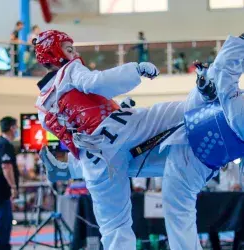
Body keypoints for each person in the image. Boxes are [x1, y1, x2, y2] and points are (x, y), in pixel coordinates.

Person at [36, 30, 244, 249]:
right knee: (177, 116)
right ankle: (70, 168)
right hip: (121, 130)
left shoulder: (41, 107)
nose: (75, 53)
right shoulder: (70, 70)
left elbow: (75, 134)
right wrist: (134, 71)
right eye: (69, 49)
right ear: (54, 53)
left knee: (114, 225)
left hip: (96, 159)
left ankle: (70, 168)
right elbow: (97, 82)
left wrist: (121, 96)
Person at [0, 116, 20, 250]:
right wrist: (13, 187)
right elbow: (6, 167)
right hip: (2, 190)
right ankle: (0, 247)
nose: (17, 130)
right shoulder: (5, 144)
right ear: (11, 127)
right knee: (4, 220)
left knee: (2, 218)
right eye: (16, 127)